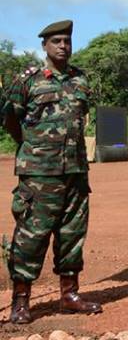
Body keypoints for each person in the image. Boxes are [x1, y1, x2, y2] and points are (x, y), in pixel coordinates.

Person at [2, 20, 102, 324]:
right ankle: (21, 300)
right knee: (31, 237)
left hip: (75, 171)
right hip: (39, 174)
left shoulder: (80, 79)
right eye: (56, 41)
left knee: (72, 234)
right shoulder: (28, 81)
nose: (63, 46)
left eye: (67, 41)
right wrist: (31, 147)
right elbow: (10, 119)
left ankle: (69, 295)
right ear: (44, 45)